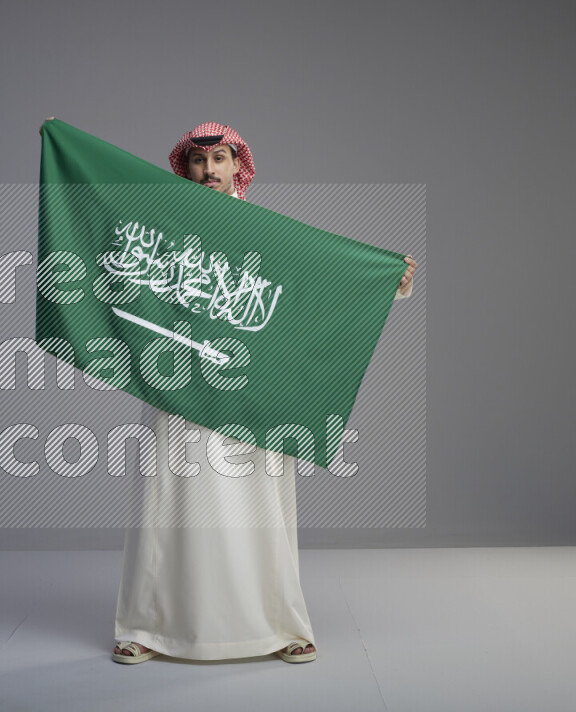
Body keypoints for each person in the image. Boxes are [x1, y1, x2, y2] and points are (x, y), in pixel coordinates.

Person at [109, 121, 417, 664]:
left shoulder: (264, 235)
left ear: (237, 166)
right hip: (176, 384)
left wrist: (383, 281)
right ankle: (146, 627)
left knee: (260, 506)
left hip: (253, 389)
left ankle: (280, 625)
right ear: (185, 168)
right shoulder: (162, 225)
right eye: (199, 162)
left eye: (220, 159)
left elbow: (317, 283)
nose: (210, 171)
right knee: (166, 505)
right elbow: (113, 251)